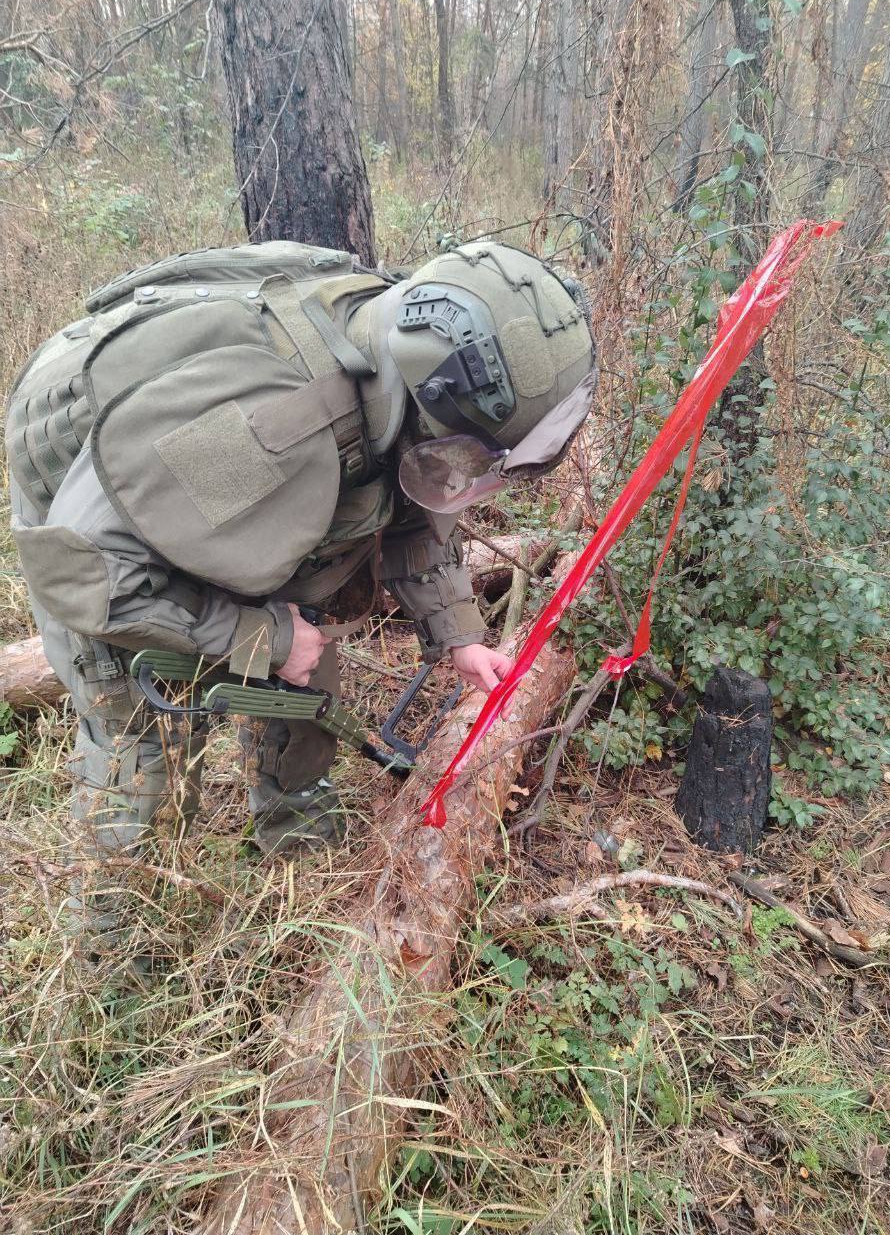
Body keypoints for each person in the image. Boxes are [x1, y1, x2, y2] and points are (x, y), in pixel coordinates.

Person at [6, 239, 595, 935]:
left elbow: (424, 500)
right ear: (422, 404)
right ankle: (115, 948)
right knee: (145, 758)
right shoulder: (271, 422)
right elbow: (82, 571)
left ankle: (297, 831)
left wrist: (458, 633)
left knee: (310, 668)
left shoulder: (414, 383)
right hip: (106, 530)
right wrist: (262, 636)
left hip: (230, 489)